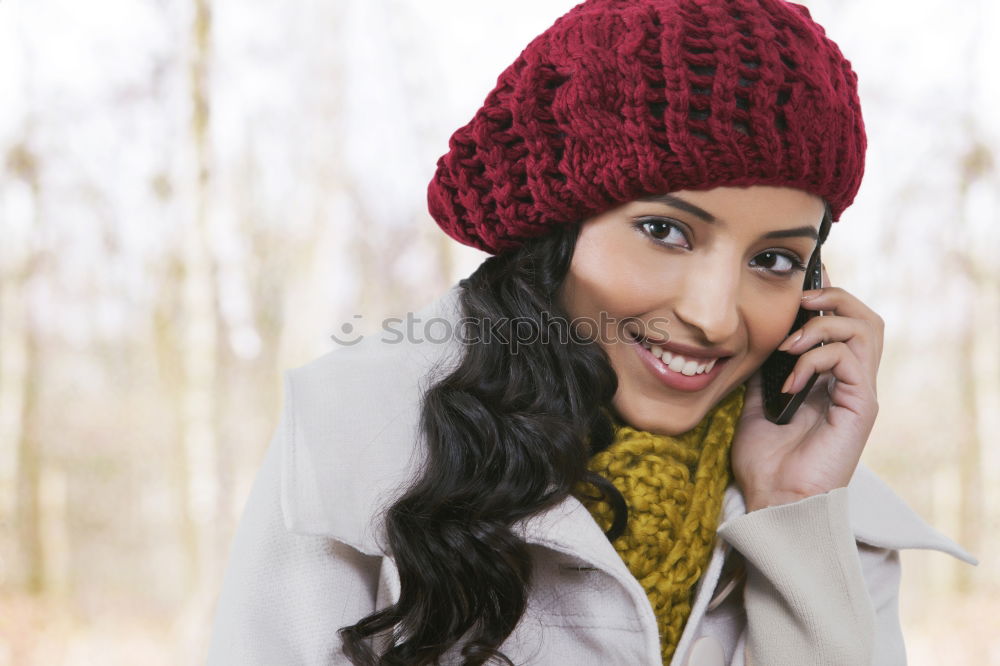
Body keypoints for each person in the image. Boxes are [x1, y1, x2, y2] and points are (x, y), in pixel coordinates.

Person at [206, 1, 977, 664]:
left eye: (774, 258)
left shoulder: (832, 514)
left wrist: (793, 518)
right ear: (556, 227)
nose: (714, 315)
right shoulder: (356, 447)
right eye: (665, 231)